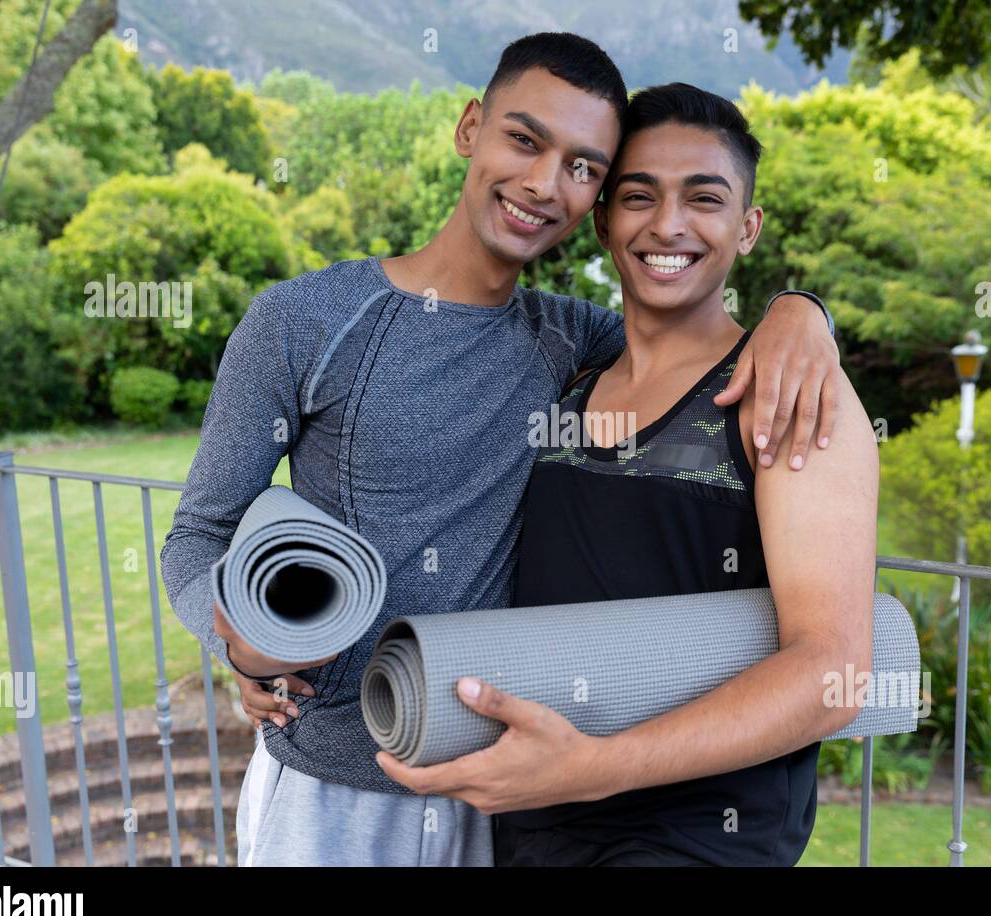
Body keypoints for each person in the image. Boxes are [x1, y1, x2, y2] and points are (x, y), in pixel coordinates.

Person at [161, 34, 844, 867]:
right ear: (470, 127)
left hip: (512, 792)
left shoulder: (578, 342)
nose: (542, 185)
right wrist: (238, 640)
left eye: (583, 166)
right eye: (524, 141)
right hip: (338, 789)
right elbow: (198, 537)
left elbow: (696, 333)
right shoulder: (302, 322)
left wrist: (800, 315)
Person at [376, 83, 879, 866]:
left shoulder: (786, 394)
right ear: (605, 220)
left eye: (703, 199)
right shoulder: (574, 373)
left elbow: (835, 673)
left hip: (691, 838)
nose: (668, 225)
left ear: (747, 229)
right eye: (639, 196)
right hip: (531, 822)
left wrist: (596, 770)